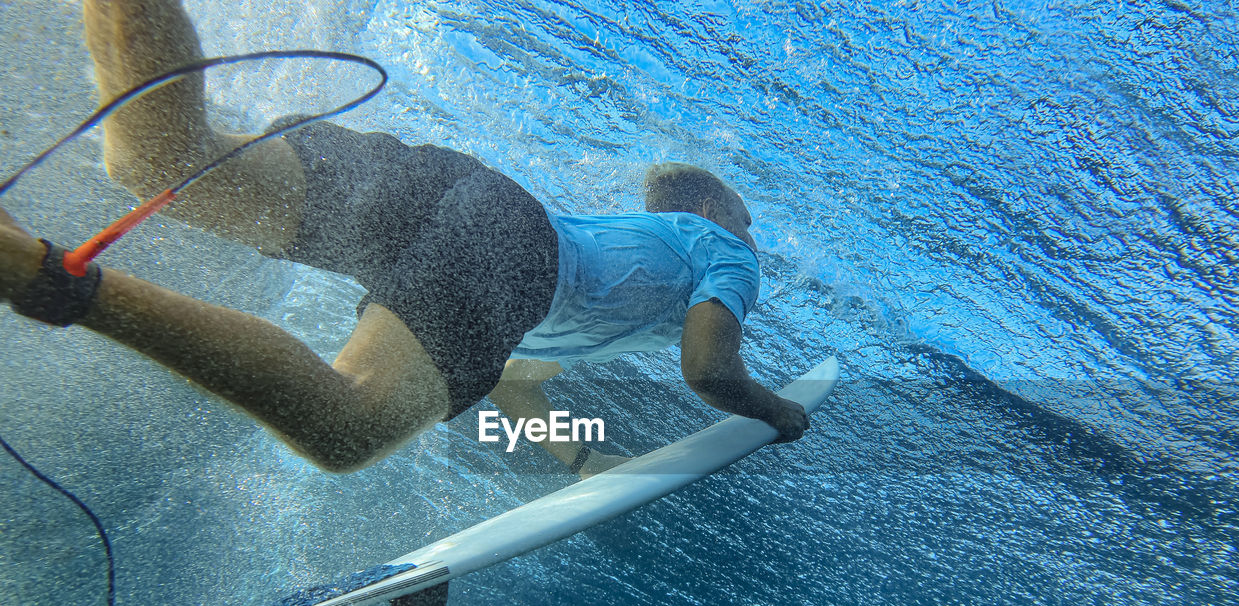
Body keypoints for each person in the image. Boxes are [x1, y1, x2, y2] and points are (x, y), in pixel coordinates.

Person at [0, 0, 809, 477]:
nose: (752, 243)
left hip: (453, 190)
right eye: (747, 223)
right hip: (508, 251)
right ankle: (44, 276)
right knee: (347, 425)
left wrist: (585, 463)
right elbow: (709, 368)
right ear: (719, 213)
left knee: (161, 161)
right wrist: (775, 411)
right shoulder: (725, 252)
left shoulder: (634, 265)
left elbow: (514, 386)